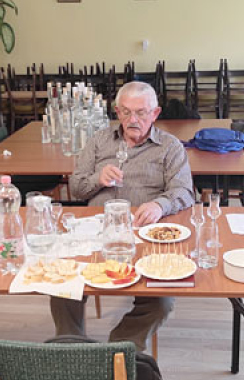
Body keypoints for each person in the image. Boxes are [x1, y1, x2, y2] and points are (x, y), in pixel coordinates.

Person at [51, 81, 195, 351]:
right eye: (126, 112)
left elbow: (185, 191)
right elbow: (77, 188)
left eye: (141, 113)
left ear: (155, 113)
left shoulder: (169, 146)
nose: (133, 120)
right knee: (62, 287)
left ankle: (118, 350)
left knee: (161, 302)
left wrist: (160, 205)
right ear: (117, 112)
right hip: (97, 233)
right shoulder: (99, 141)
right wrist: (98, 178)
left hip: (145, 234)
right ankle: (72, 349)